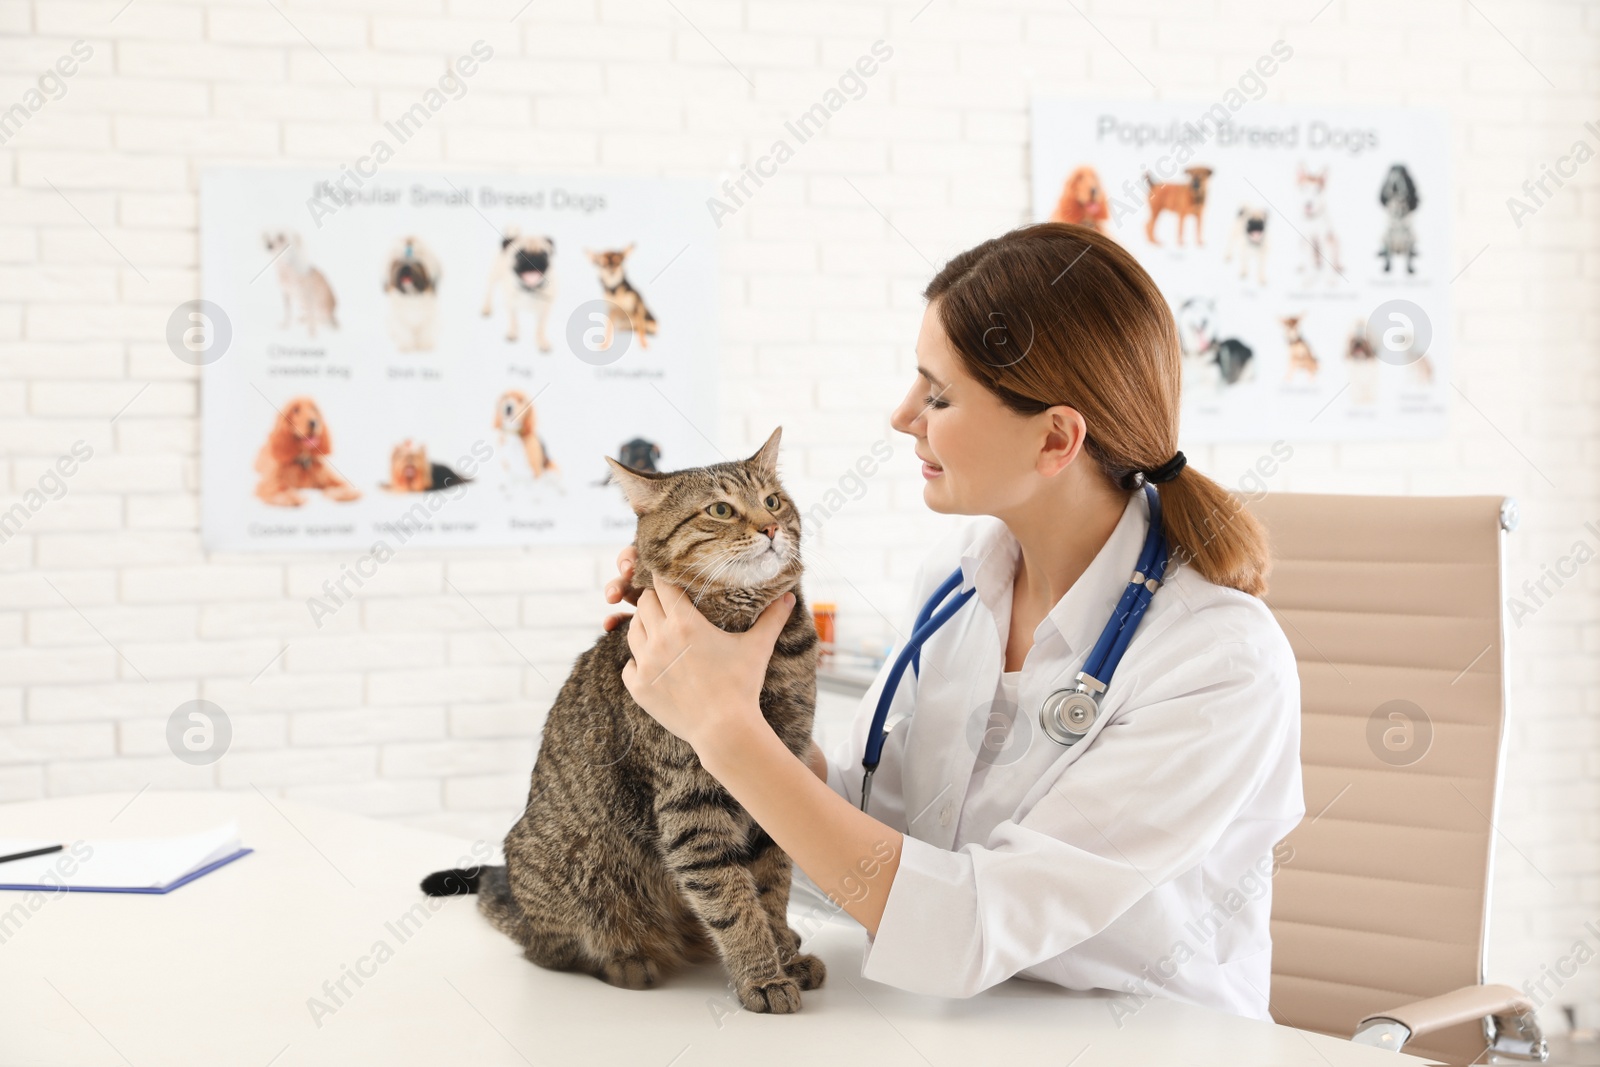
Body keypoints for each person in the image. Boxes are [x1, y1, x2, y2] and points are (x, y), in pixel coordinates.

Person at [601, 222, 1304, 1020]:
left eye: (938, 394)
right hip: (954, 1026)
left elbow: (967, 926)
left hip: (1143, 1039)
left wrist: (725, 726)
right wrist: (719, 660)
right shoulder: (959, 586)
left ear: (1056, 437)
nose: (904, 416)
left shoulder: (1217, 661)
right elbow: (866, 831)